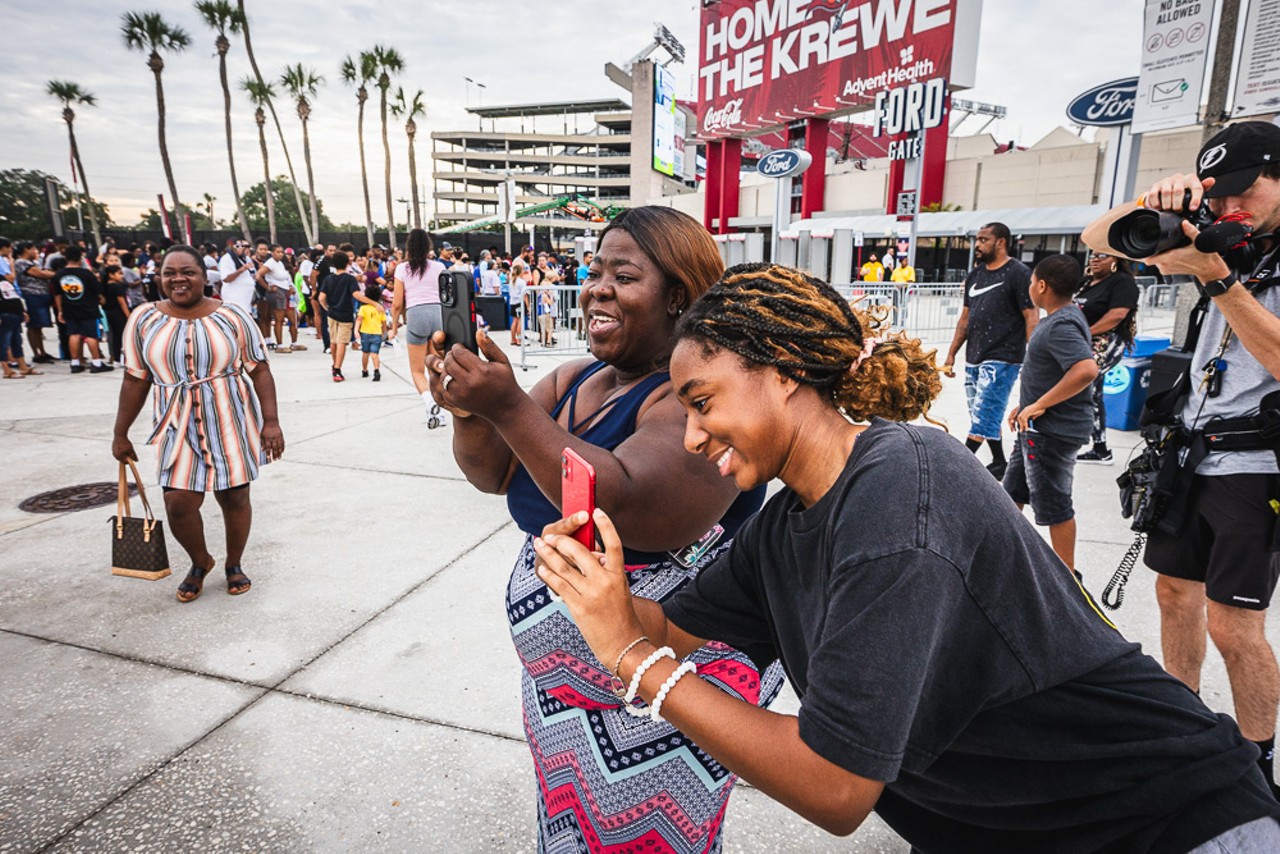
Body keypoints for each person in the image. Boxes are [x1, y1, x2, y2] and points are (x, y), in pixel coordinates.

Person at [534, 261, 1280, 852]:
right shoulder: (789, 520)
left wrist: (631, 660)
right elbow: (668, 627)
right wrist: (597, 589)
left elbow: (836, 788)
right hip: (1019, 828)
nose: (692, 437)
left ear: (786, 368)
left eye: (702, 402)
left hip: (1167, 819)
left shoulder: (901, 490)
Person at [427, 207, 781, 853]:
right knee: (569, 831)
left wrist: (507, 404)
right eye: (593, 272)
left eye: (623, 274)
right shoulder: (574, 379)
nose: (596, 288)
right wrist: (471, 414)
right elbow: (493, 472)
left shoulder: (701, 399)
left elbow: (632, 504)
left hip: (663, 700)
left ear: (678, 297)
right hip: (563, 702)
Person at [1084, 119, 1280, 798]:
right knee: (1172, 595)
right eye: (1219, 193)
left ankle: (1257, 768)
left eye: (1243, 190)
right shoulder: (1224, 240)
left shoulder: (1239, 261)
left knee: (1235, 626)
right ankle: (1186, 734)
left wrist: (1221, 282)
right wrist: (1157, 202)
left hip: (1258, 462)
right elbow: (1097, 239)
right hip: (1190, 453)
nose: (1230, 206)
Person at [112, 245, 283, 603]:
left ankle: (234, 564)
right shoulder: (144, 319)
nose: (178, 279)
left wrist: (271, 422)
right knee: (178, 502)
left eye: (187, 271)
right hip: (175, 422)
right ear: (158, 277)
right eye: (168, 272)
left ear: (204, 277)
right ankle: (200, 560)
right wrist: (120, 433)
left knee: (235, 495)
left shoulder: (233, 316)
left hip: (230, 417)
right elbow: (135, 379)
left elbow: (260, 370)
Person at [1002, 254, 1099, 573]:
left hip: (1050, 433)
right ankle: (1000, 559)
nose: (1030, 286)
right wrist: (1029, 402)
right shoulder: (1064, 316)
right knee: (1011, 494)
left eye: (1031, 281)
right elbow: (1053, 372)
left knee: (1054, 504)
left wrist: (1041, 404)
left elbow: (1085, 370)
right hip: (1033, 429)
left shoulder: (1061, 324)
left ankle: (1067, 578)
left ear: (1041, 286)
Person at [941, 222, 1037, 480]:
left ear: (1001, 242)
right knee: (982, 412)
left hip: (1004, 356)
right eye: (977, 239)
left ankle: (958, 466)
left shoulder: (1018, 273)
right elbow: (964, 319)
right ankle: (999, 462)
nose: (978, 245)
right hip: (974, 356)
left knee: (984, 412)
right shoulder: (975, 275)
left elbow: (1031, 316)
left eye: (984, 240)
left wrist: (1035, 356)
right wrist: (951, 354)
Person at [1074, 250, 1140, 464]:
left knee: (1084, 385)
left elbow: (1116, 316)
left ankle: (1094, 445)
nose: (1095, 259)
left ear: (1116, 260)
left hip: (1108, 342)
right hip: (1082, 341)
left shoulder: (1122, 283)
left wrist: (1085, 332)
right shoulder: (1086, 283)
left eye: (1102, 256)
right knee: (1092, 393)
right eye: (1092, 255)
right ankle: (1100, 449)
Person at [388, 228, 447, 418]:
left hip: (416, 314)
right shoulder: (439, 267)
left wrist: (394, 328)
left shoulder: (401, 269)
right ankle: (442, 408)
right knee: (435, 364)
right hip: (437, 313)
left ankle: (429, 404)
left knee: (417, 370)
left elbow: (397, 303)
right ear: (428, 246)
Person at [52, 246, 112, 374]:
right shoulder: (86, 273)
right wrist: (101, 299)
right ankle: (96, 362)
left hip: (69, 307)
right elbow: (98, 290)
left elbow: (57, 294)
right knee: (91, 335)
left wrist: (60, 310)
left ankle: (75, 362)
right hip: (88, 307)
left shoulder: (59, 275)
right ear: (80, 258)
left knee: (74, 334)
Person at [318, 250, 372, 383]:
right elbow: (356, 295)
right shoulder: (349, 279)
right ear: (347, 263)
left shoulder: (328, 279)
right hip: (345, 314)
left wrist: (327, 308)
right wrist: (373, 302)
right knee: (342, 341)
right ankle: (337, 369)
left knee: (333, 340)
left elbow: (321, 297)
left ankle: (334, 365)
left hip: (332, 314)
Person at [256, 244, 303, 353]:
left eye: (282, 252)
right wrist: (268, 287)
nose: (281, 254)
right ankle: (280, 345)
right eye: (278, 252)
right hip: (277, 293)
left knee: (293, 318)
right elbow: (258, 276)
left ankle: (294, 343)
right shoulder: (270, 264)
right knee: (279, 319)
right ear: (272, 253)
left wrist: (291, 287)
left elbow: (286, 278)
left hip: (287, 292)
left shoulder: (280, 263)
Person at [14, 241, 55, 363]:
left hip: (41, 295)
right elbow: (41, 273)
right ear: (26, 250)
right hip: (32, 295)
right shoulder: (21, 262)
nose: (35, 251)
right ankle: (36, 353)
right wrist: (56, 274)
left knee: (39, 326)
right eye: (33, 249)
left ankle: (42, 351)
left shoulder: (34, 262)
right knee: (33, 325)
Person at [101, 263, 131, 367]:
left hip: (108, 313)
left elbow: (102, 301)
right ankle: (123, 359)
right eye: (119, 273)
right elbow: (122, 303)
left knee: (114, 337)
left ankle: (116, 359)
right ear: (111, 275)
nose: (122, 276)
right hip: (118, 314)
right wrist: (129, 316)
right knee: (122, 336)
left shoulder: (104, 287)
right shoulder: (117, 287)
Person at [218, 239, 256, 314]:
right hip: (234, 299)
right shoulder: (226, 259)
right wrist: (242, 269)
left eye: (244, 246)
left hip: (246, 299)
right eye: (238, 246)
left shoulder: (246, 258)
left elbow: (252, 274)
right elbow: (226, 278)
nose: (242, 248)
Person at [356, 284, 384, 381]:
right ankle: (376, 370)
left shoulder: (363, 308)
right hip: (377, 333)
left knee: (365, 352)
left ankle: (364, 370)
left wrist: (356, 330)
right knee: (374, 353)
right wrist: (384, 332)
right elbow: (383, 322)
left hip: (365, 333)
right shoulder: (380, 308)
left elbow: (359, 319)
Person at [507, 259, 530, 346]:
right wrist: (528, 306)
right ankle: (519, 340)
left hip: (512, 302)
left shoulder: (511, 281)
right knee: (520, 321)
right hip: (519, 303)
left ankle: (513, 339)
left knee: (514, 321)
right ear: (520, 272)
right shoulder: (521, 282)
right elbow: (524, 295)